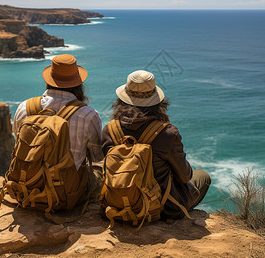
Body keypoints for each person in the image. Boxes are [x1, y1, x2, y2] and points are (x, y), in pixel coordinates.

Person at [101, 70, 211, 220]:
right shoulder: (167, 133)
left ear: (123, 100)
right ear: (157, 101)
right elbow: (185, 176)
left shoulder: (110, 129)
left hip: (116, 206)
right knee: (202, 176)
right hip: (162, 209)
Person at [13, 54, 103, 198]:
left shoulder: (24, 107)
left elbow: (18, 141)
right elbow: (97, 155)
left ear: (49, 79)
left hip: (26, 188)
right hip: (66, 194)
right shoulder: (88, 114)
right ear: (79, 83)